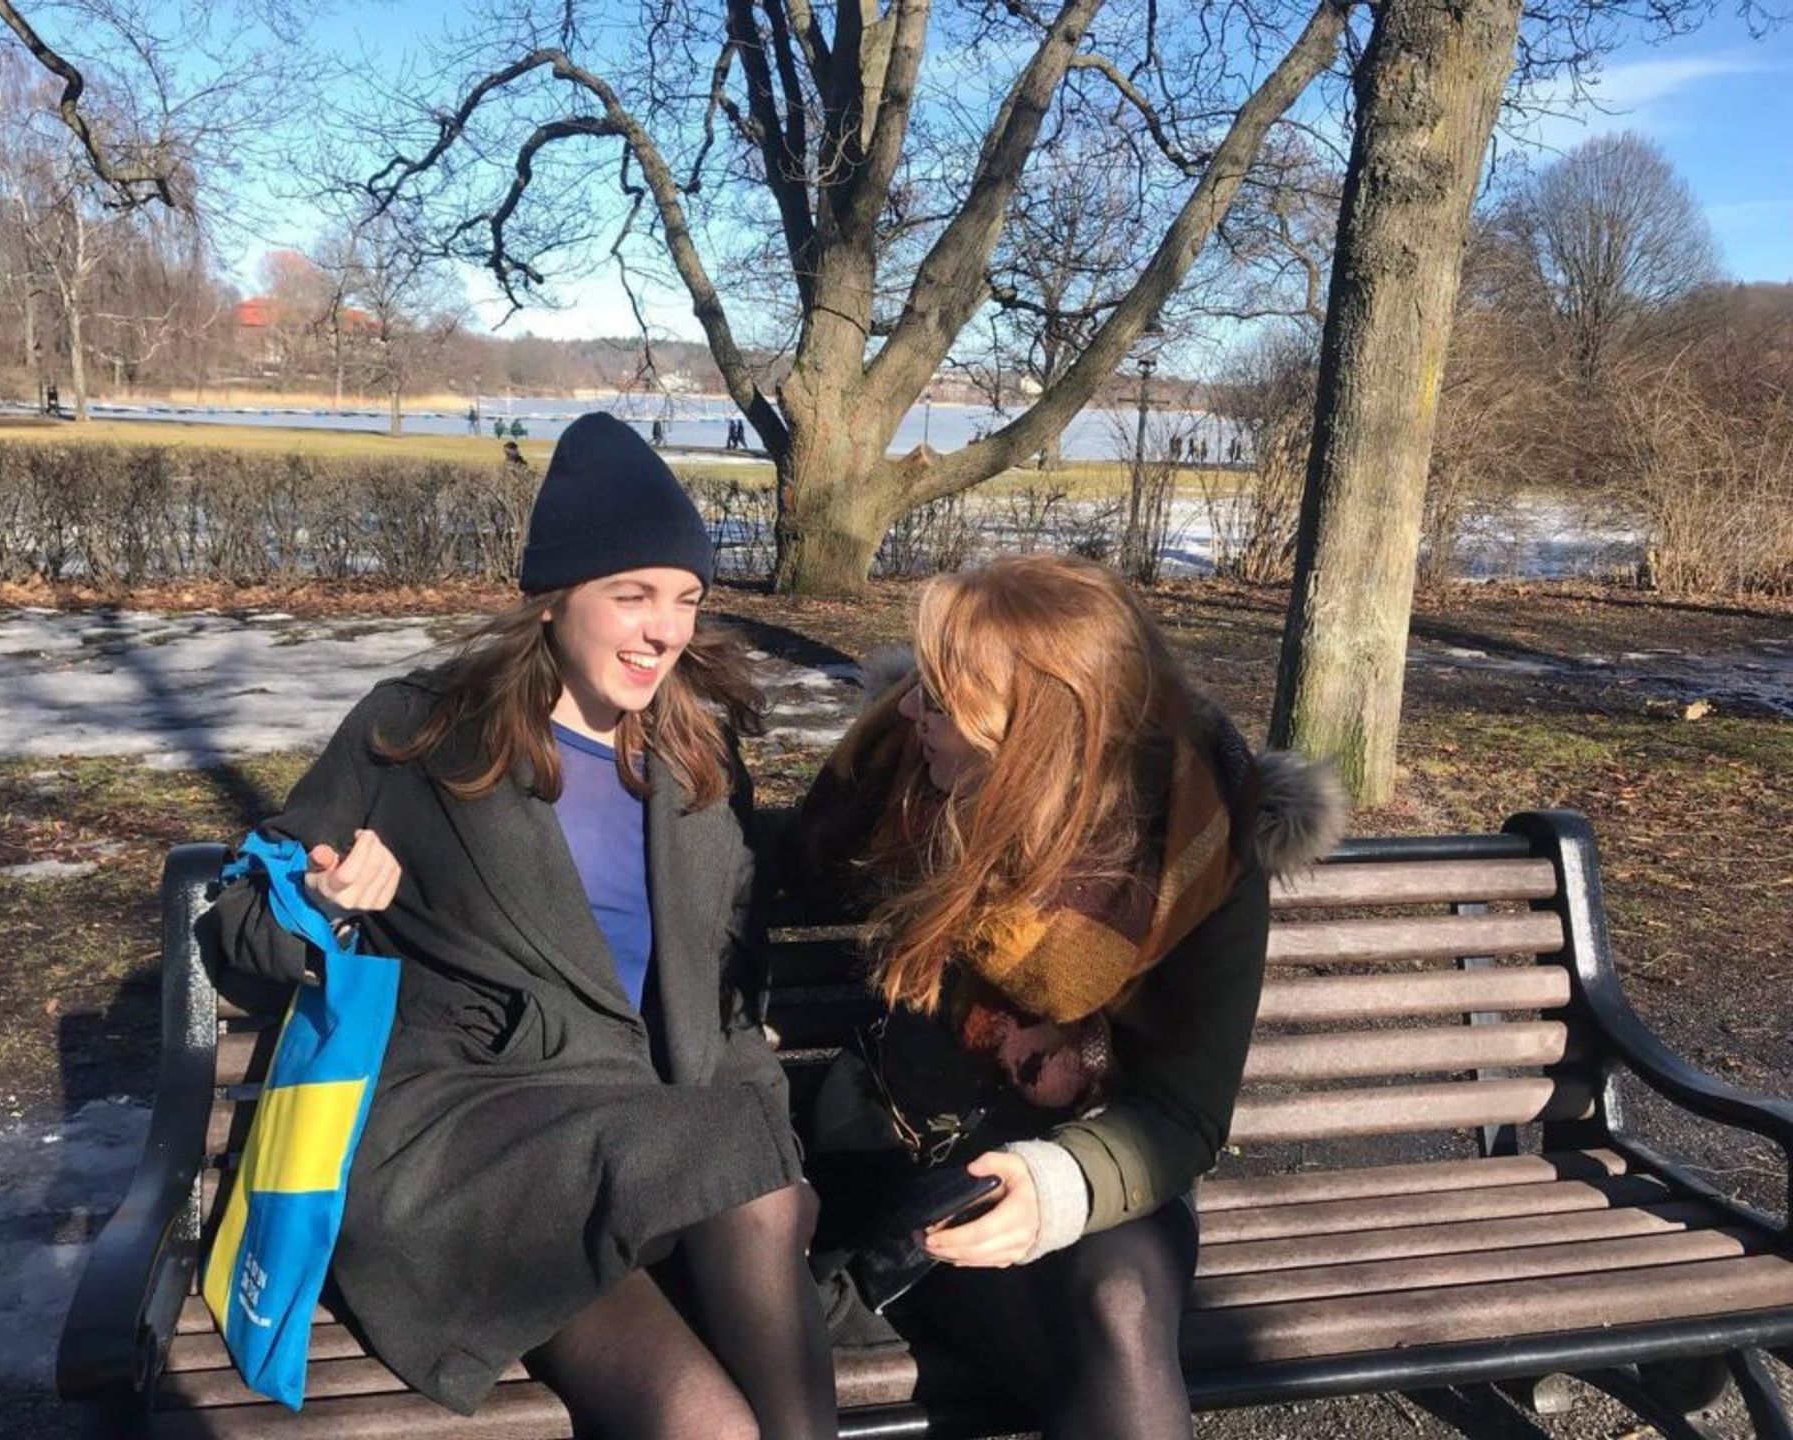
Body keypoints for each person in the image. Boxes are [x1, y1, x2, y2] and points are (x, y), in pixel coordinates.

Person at [202, 413, 837, 1439]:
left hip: (656, 1147)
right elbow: (240, 922)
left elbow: (730, 995)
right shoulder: (419, 734)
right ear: (554, 601)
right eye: (631, 596)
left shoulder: (697, 760)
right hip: (478, 1158)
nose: (663, 630)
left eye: (684, 599)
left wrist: (770, 1152)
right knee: (705, 1412)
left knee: (742, 1229)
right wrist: (319, 905)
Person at [788, 554, 1343, 1440]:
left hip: (1098, 1157)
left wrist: (1061, 1185)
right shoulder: (904, 789)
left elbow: (1186, 1109)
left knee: (1118, 1302)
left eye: (943, 697)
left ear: (1040, 728)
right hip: (907, 1150)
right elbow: (768, 873)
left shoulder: (1193, 847)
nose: (908, 711)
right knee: (1091, 1360)